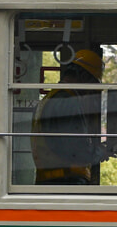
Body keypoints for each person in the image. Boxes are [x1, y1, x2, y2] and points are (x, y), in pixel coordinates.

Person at [31, 48, 109, 185]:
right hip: (66, 182)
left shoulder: (49, 99)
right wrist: (101, 151)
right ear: (84, 77)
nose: (92, 94)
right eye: (93, 85)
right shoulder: (68, 101)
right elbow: (76, 151)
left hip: (48, 181)